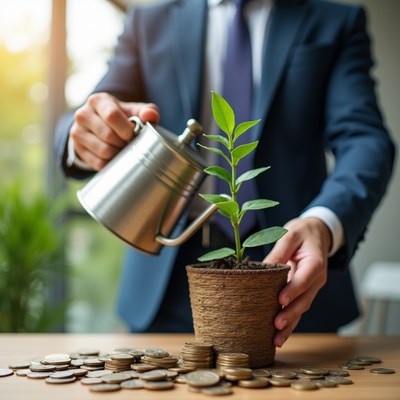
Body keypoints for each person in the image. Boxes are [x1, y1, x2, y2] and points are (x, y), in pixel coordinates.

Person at [55, 0, 395, 347]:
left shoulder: (334, 20)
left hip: (291, 280)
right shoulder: (149, 20)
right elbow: (91, 110)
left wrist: (324, 222)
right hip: (168, 288)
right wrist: (83, 135)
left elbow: (365, 141)